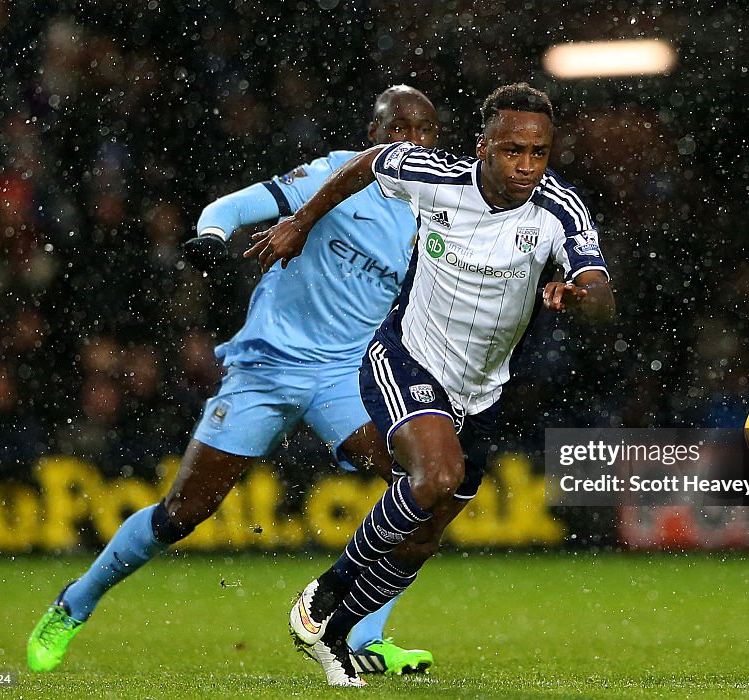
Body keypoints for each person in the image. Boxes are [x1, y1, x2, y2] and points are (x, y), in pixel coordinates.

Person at [27, 86, 441, 676]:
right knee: (182, 512)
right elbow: (232, 207)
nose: (409, 140)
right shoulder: (329, 177)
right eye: (395, 126)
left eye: (422, 130)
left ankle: (364, 636)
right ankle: (75, 603)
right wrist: (211, 237)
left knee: (422, 492)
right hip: (267, 367)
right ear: (372, 135)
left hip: (345, 376)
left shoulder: (436, 217)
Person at [246, 82, 616, 687]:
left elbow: (602, 292)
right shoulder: (434, 175)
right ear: (483, 147)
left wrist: (580, 296)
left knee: (424, 536)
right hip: (409, 358)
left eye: (539, 153)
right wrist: (301, 222)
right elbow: (368, 163)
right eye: (512, 150)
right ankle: (320, 599)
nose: (526, 166)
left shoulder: (558, 211)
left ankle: (335, 638)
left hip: (484, 390)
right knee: (435, 477)